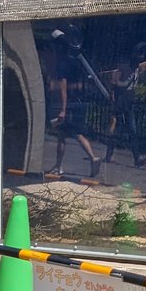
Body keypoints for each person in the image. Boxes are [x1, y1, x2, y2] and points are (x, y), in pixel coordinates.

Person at [49, 25, 102, 178]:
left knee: (71, 133)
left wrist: (63, 109)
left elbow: (63, 88)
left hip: (70, 105)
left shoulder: (62, 64)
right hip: (79, 102)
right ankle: (58, 165)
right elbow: (80, 84)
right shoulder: (76, 61)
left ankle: (91, 158)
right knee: (66, 133)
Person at [105, 42, 146, 167]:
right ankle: (109, 154)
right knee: (116, 131)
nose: (142, 57)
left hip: (129, 104)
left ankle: (137, 157)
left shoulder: (136, 69)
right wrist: (113, 100)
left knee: (132, 131)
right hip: (120, 104)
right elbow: (113, 84)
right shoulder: (124, 67)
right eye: (140, 54)